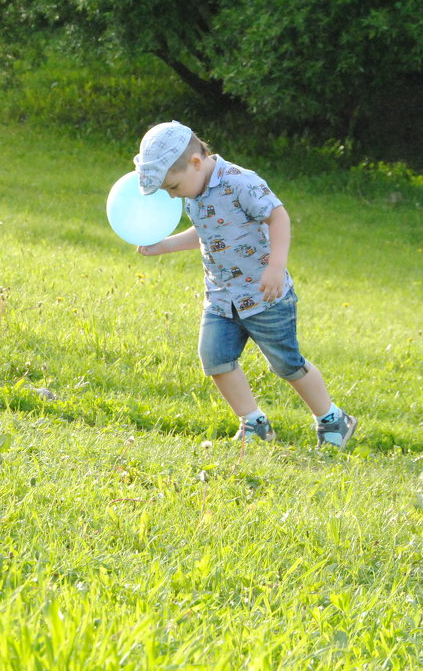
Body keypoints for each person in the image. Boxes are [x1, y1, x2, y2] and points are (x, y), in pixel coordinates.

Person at [133, 121, 358, 448]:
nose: (172, 194)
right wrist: (163, 245)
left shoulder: (240, 182)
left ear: (196, 162)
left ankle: (333, 419)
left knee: (287, 364)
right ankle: (254, 423)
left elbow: (278, 217)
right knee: (215, 358)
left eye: (173, 187)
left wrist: (276, 267)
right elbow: (208, 233)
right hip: (222, 298)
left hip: (265, 295)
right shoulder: (193, 191)